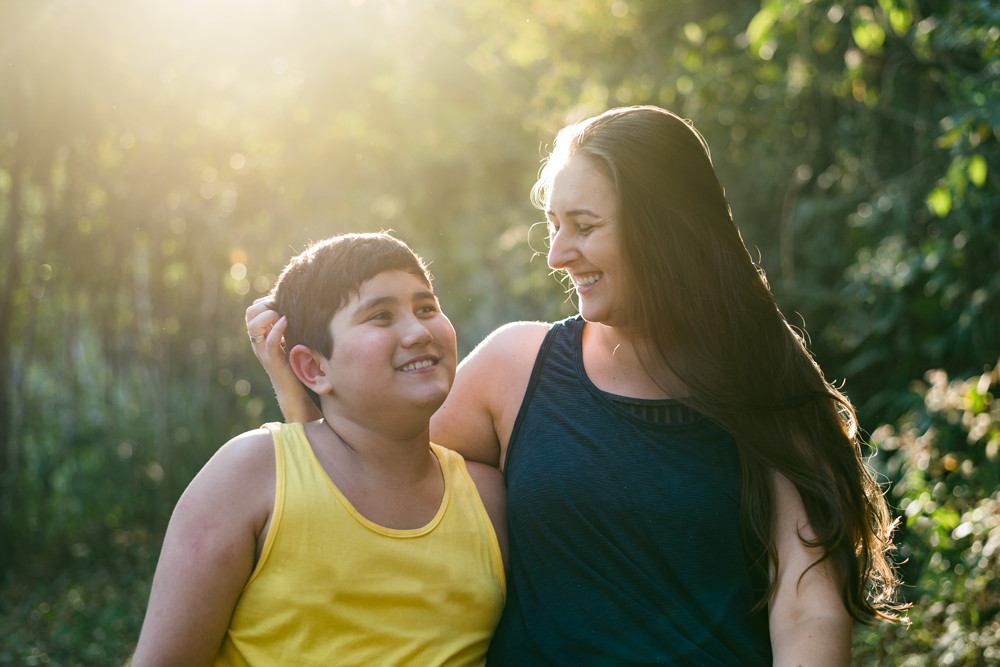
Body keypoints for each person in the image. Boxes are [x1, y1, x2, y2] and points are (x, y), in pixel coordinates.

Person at [247, 106, 902, 666]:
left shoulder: (766, 384)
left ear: (665, 230)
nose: (558, 254)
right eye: (554, 225)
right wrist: (299, 389)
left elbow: (808, 601)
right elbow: (360, 479)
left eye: (584, 226)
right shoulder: (514, 367)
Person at [133, 233, 509, 667]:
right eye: (381, 316)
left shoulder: (487, 499)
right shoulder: (251, 475)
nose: (418, 331)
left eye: (426, 308)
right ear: (312, 367)